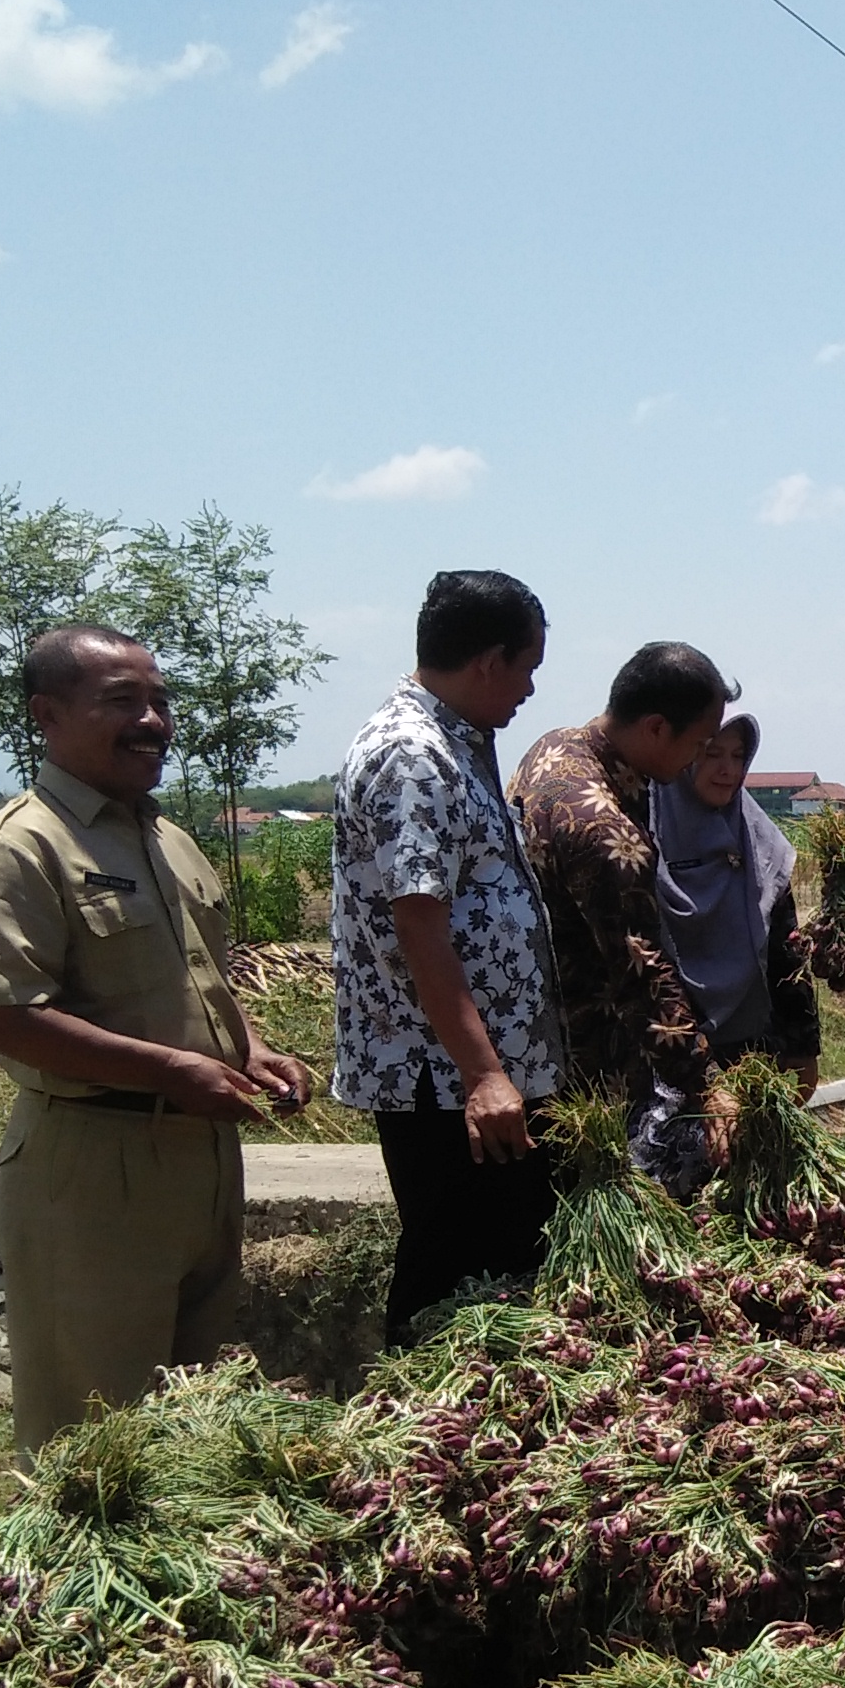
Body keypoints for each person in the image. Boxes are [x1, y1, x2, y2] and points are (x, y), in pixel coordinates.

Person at [0, 626, 314, 1455]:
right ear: (47, 714)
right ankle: (74, 1587)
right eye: (122, 701)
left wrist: (246, 1051)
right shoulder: (19, 846)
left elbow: (199, 980)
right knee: (93, 1440)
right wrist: (172, 1069)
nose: (152, 720)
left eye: (159, 701)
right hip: (92, 1168)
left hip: (202, 1160)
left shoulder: (165, 838)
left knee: (190, 1426)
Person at [332, 569, 566, 1344]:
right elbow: (419, 926)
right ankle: (419, 1438)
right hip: (443, 1083)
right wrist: (485, 1074)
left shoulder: (457, 745)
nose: (530, 689)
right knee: (450, 1275)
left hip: (470, 1076)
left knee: (499, 1270)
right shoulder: (412, 755)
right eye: (527, 668)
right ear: (489, 662)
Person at [512, 640, 745, 1189]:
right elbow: (640, 970)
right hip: (581, 1062)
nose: (698, 760)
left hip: (531, 1035)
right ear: (657, 728)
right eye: (698, 743)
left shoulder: (555, 747)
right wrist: (708, 1085)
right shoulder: (606, 832)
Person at [652, 699, 819, 1080]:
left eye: (738, 755)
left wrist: (802, 1045)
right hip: (671, 1051)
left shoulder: (758, 839)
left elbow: (786, 948)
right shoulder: (647, 834)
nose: (728, 770)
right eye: (712, 754)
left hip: (752, 1047)